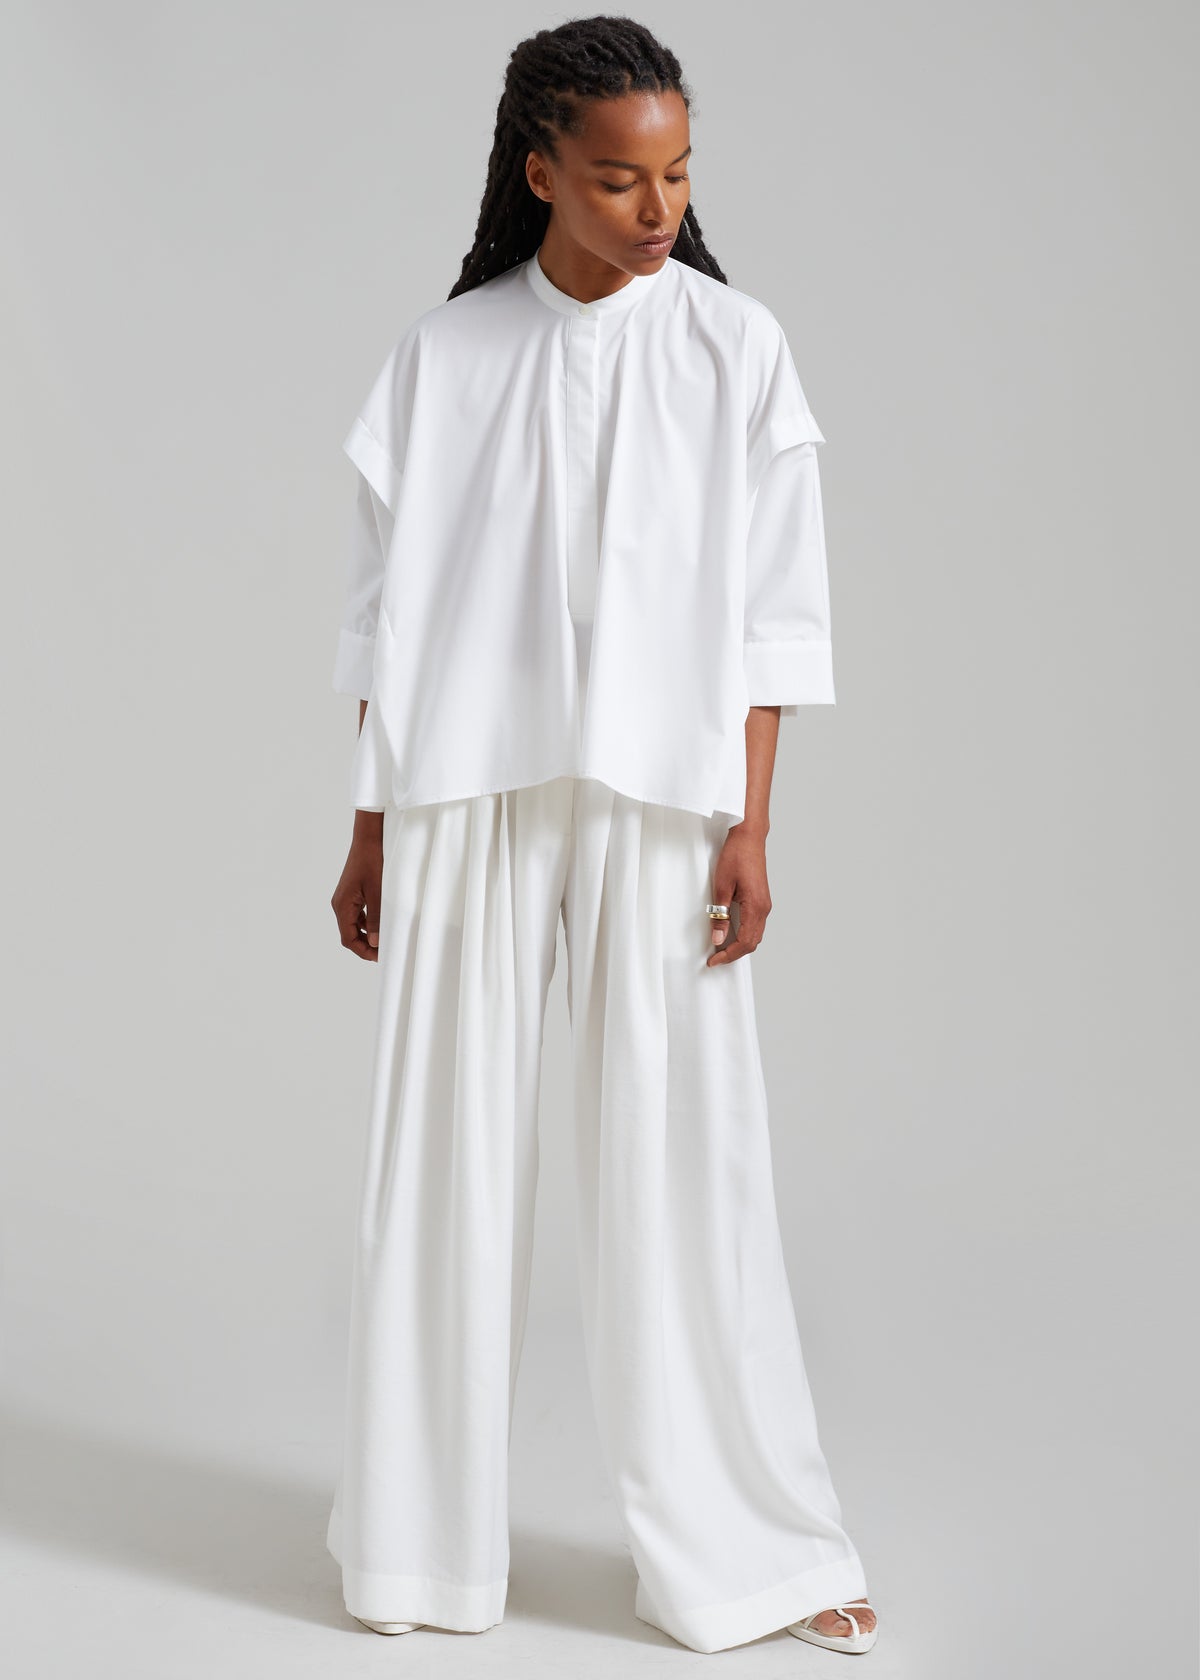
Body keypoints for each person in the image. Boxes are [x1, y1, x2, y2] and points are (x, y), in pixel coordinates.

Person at [325, 14, 878, 1659]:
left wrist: (751, 828)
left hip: (661, 795)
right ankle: (413, 1554)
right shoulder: (445, 356)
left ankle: (754, 1553)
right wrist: (368, 825)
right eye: (625, 178)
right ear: (540, 171)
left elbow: (776, 618)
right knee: (440, 1162)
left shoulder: (734, 348)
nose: (660, 207)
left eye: (681, 175)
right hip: (463, 792)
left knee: (685, 1169)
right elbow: (384, 618)